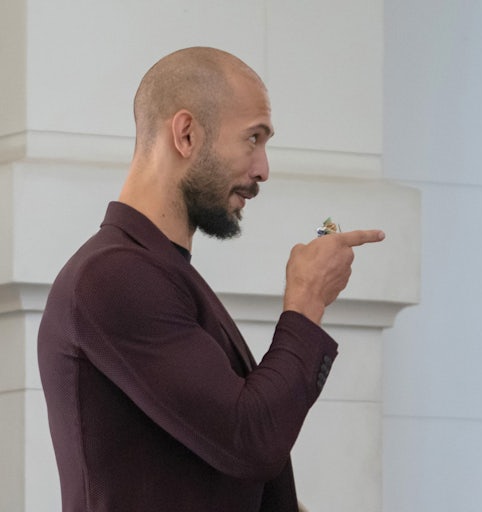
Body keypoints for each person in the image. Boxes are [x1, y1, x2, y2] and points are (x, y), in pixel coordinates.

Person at [37, 47, 385, 512]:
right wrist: (306, 302)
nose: (263, 169)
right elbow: (250, 440)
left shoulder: (158, 272)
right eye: (252, 139)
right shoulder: (114, 276)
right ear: (186, 134)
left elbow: (222, 463)